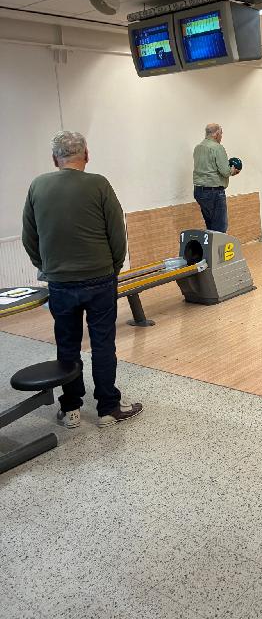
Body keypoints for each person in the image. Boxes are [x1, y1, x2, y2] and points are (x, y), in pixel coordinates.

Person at [22, 131, 142, 429]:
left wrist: (47, 267)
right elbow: (117, 234)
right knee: (103, 344)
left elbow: (30, 237)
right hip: (100, 278)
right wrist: (112, 268)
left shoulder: (38, 186)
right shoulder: (99, 184)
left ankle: (71, 409)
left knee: (67, 345)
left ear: (55, 159)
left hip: (60, 283)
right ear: (86, 155)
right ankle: (108, 408)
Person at [193, 123, 240, 233]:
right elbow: (225, 172)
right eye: (221, 134)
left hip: (199, 191)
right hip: (214, 193)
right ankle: (218, 245)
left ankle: (211, 245)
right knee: (220, 228)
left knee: (210, 226)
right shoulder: (217, 148)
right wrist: (233, 170)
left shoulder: (198, 147)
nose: (221, 137)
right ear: (216, 134)